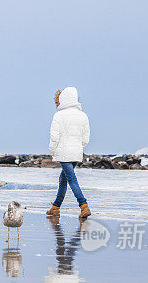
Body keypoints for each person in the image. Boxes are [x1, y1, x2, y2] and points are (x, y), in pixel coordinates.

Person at [46, 87, 91, 219]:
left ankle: (84, 205)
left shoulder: (58, 116)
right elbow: (86, 137)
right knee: (63, 178)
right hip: (76, 152)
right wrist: (78, 147)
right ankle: (56, 207)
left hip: (64, 152)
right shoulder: (83, 115)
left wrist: (52, 151)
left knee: (71, 179)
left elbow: (54, 137)